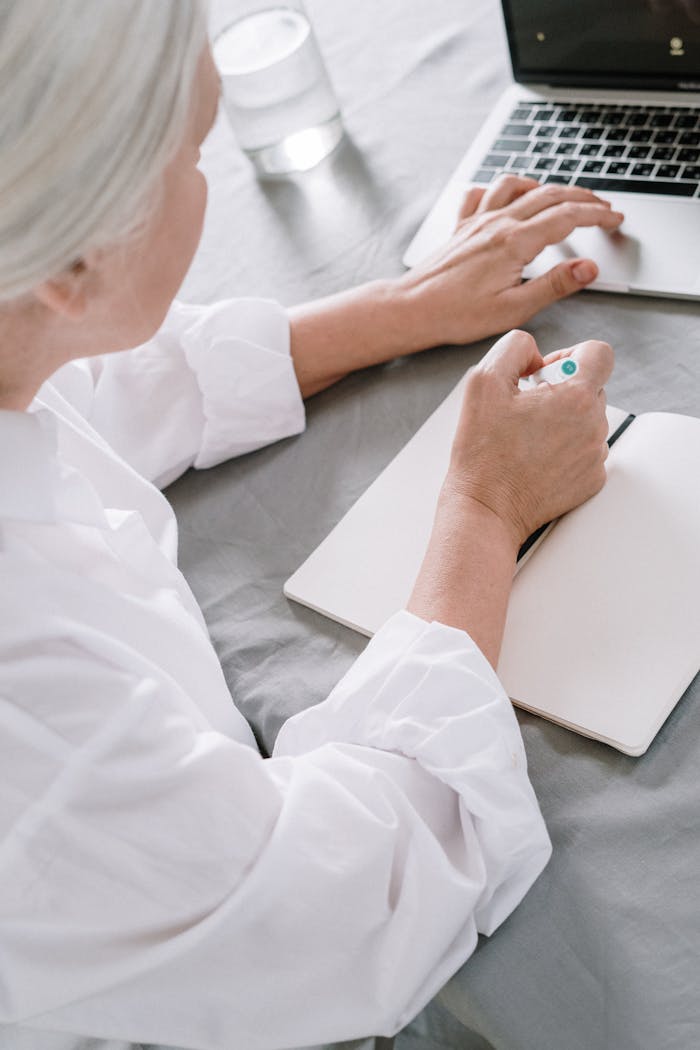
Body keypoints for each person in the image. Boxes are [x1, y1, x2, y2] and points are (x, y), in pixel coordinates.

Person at [0, 2, 620, 1049]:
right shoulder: (33, 706)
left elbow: (82, 380)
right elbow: (340, 914)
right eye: (198, 153)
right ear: (70, 261)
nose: (208, 178)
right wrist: (483, 505)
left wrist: (405, 306)